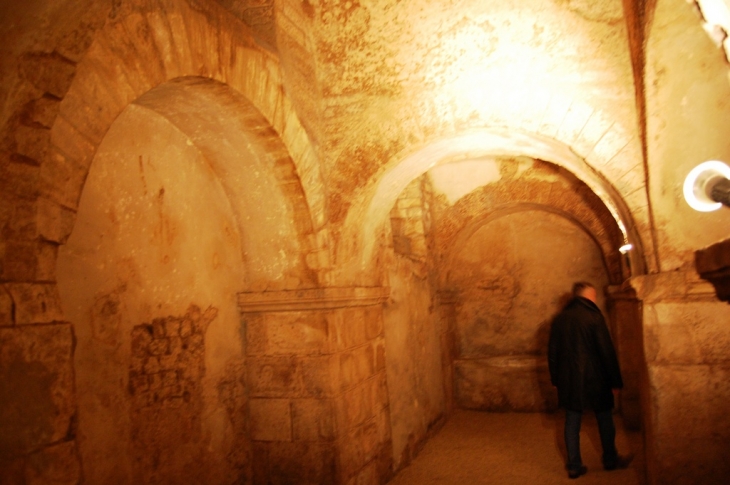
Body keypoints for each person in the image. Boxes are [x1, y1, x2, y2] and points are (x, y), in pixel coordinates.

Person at [547, 281, 633, 479]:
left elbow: (552, 352)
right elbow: (606, 351)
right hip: (596, 378)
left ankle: (574, 466)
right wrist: (615, 381)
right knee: (604, 418)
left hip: (569, 380)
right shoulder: (594, 317)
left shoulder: (560, 319)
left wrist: (555, 378)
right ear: (586, 297)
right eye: (593, 296)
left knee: (571, 421)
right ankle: (610, 459)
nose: (595, 300)